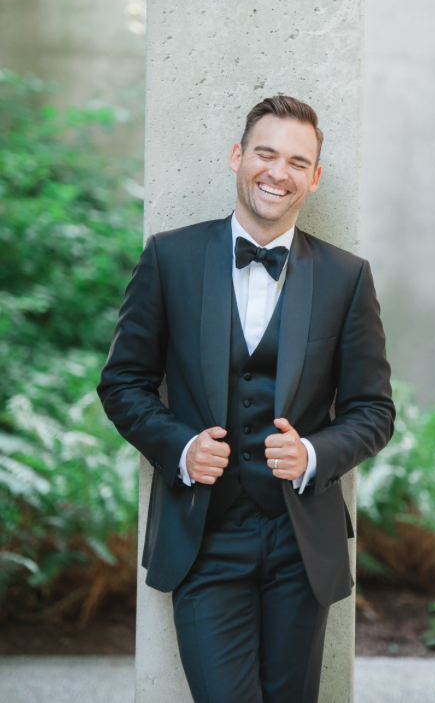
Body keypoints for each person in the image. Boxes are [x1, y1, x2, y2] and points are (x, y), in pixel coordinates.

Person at [97, 95, 396, 703]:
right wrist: (180, 447)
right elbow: (122, 382)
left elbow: (374, 410)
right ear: (238, 156)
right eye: (265, 153)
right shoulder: (170, 258)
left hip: (300, 542)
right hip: (204, 538)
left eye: (297, 162)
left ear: (314, 177)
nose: (277, 172)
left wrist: (315, 453)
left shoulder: (346, 277)